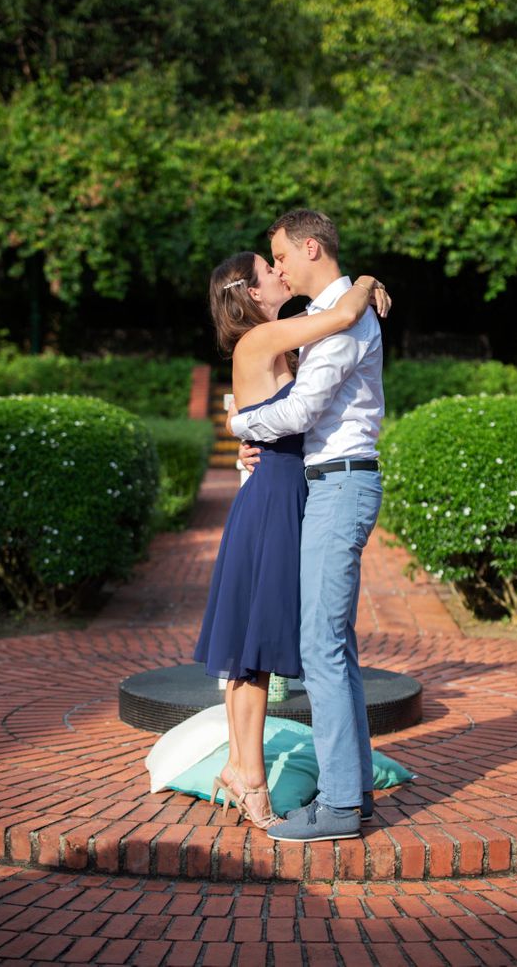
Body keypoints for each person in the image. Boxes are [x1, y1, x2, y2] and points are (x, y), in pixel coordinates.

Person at [193, 248, 389, 831]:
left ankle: (239, 765)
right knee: (253, 644)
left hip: (284, 493)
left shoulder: (277, 340)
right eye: (268, 269)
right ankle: (249, 777)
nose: (280, 274)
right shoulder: (265, 340)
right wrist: (367, 284)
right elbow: (338, 315)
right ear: (253, 293)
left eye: (280, 262)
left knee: (254, 639)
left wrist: (242, 436)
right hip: (275, 501)